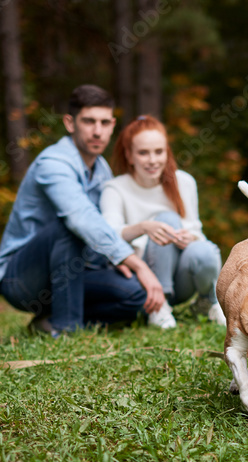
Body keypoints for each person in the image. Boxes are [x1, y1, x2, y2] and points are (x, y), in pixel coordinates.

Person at [0, 85, 165, 337]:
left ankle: (47, 323)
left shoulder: (102, 169)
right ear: (70, 123)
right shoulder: (52, 163)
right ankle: (66, 329)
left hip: (71, 275)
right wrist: (139, 265)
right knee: (68, 228)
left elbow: (106, 226)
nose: (97, 131)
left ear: (113, 125)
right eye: (89, 121)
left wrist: (121, 264)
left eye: (105, 123)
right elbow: (81, 219)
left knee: (136, 295)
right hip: (22, 280)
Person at [100, 115, 226, 329]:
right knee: (167, 218)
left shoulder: (184, 182)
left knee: (205, 251)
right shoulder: (114, 189)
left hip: (181, 275)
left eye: (159, 152)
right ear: (129, 155)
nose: (152, 160)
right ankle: (160, 306)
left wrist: (190, 237)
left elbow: (196, 229)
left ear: (167, 152)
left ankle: (208, 302)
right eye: (143, 153)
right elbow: (108, 235)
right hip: (141, 278)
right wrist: (143, 228)